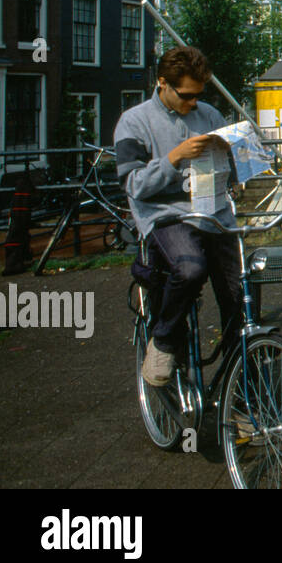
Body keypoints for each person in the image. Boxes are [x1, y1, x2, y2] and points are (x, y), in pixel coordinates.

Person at [115, 46, 238, 387]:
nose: (193, 104)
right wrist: (173, 158)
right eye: (186, 96)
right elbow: (134, 184)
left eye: (199, 95)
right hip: (166, 215)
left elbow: (234, 176)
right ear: (162, 84)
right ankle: (164, 339)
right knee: (190, 268)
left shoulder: (211, 116)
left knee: (241, 299)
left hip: (212, 212)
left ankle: (243, 399)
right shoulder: (134, 121)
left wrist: (238, 156)